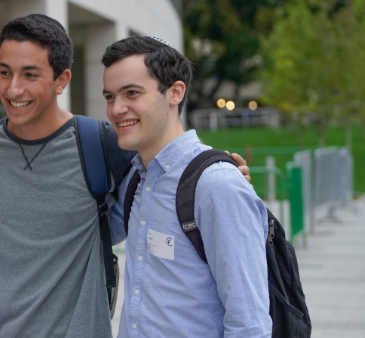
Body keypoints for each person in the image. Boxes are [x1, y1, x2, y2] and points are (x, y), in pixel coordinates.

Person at [0, 15, 250, 337]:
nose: (13, 87)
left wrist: (217, 173)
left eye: (30, 74)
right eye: (5, 73)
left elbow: (165, 159)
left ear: (62, 81)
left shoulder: (102, 144)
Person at [102, 36, 270, 337]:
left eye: (131, 93)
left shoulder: (216, 185)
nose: (116, 109)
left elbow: (250, 324)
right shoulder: (137, 179)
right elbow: (90, 237)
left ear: (175, 92)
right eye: (110, 96)